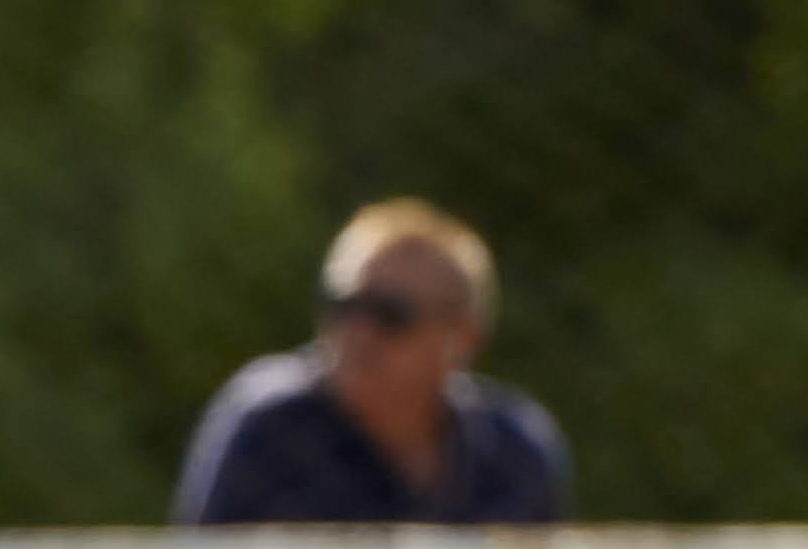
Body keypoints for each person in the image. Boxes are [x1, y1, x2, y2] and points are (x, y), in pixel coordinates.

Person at [173, 199, 570, 528]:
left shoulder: (513, 451)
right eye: (343, 307)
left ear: (464, 335)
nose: (358, 334)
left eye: (390, 314)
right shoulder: (268, 428)